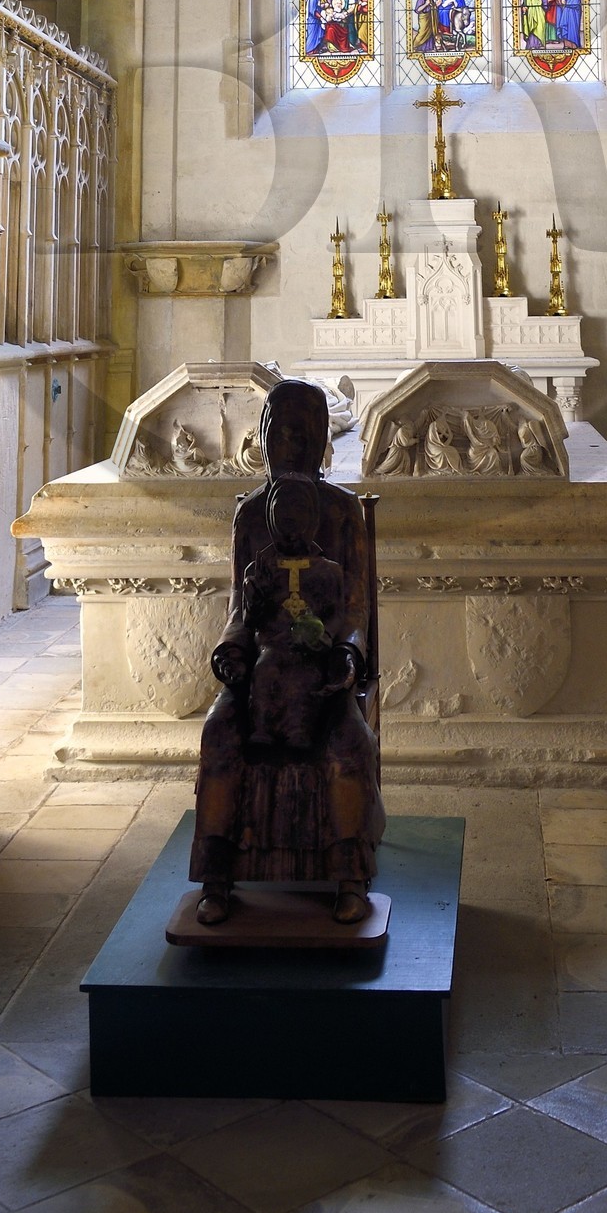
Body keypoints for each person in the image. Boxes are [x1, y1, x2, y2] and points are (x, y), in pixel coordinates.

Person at [190, 382, 384, 924]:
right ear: (264, 437)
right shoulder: (252, 515)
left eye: (304, 435)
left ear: (321, 440)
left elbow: (354, 609)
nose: (291, 446)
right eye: (280, 433)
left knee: (347, 744)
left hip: (324, 672)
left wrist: (346, 655)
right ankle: (216, 878)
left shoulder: (343, 512)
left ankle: (349, 875)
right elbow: (239, 608)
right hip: (261, 670)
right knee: (219, 735)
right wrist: (230, 650)